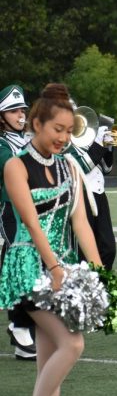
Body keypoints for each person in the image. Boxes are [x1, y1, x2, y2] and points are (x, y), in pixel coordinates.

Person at [0, 83, 104, 396]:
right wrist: (56, 268)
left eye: (68, 131)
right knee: (72, 345)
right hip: (29, 264)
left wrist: (98, 271)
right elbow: (29, 222)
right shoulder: (15, 165)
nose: (63, 137)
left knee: (49, 355)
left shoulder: (69, 168)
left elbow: (81, 224)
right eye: (56, 129)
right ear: (36, 124)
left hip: (61, 267)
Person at [0, 84, 37, 360]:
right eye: (13, 111)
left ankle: (24, 330)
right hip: (9, 209)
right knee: (18, 263)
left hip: (33, 209)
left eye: (22, 109)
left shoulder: (28, 139)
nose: (20, 115)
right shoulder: (3, 145)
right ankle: (17, 323)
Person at [65, 106, 117, 269]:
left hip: (100, 196)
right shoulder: (64, 146)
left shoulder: (88, 143)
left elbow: (107, 169)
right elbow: (80, 168)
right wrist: (98, 145)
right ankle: (84, 289)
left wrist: (108, 147)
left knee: (108, 249)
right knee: (82, 252)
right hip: (81, 197)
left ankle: (99, 286)